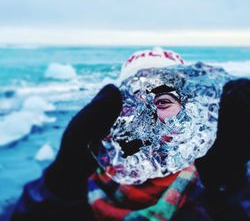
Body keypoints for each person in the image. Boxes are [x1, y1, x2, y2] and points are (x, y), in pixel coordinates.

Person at [10, 49, 250, 221]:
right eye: (134, 102)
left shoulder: (209, 185)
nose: (149, 118)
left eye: (163, 102)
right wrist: (59, 187)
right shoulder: (78, 187)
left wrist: (227, 194)